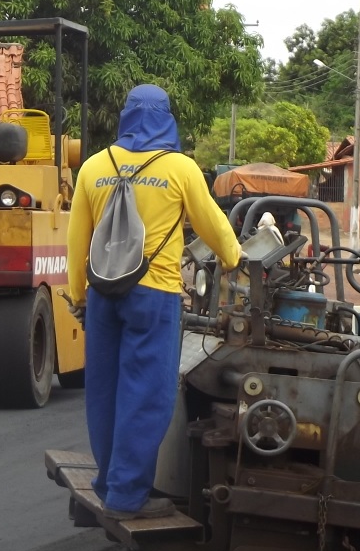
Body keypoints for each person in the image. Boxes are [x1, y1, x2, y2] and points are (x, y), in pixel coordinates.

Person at [67, 84, 242, 521]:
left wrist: (77, 296)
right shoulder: (179, 168)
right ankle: (127, 498)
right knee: (145, 395)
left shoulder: (93, 166)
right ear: (166, 118)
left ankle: (110, 483)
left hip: (103, 294)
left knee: (104, 392)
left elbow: (76, 242)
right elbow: (213, 224)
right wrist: (235, 257)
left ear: (125, 117)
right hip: (154, 294)